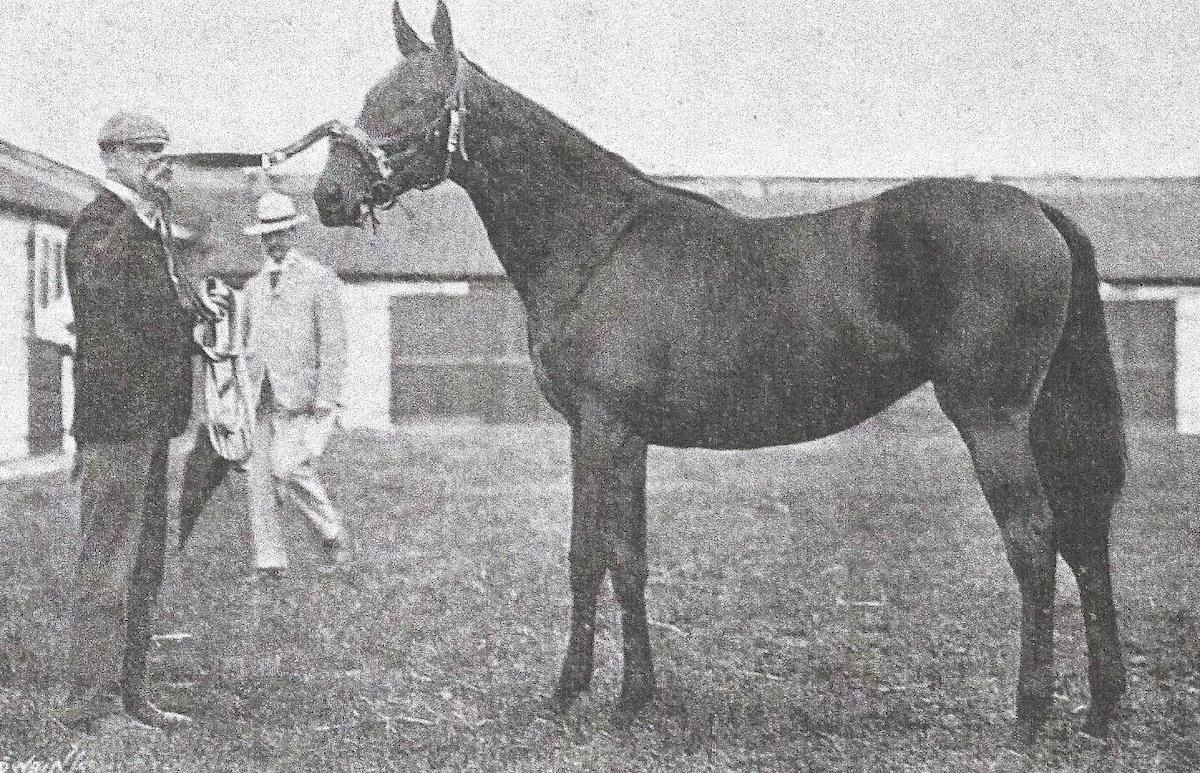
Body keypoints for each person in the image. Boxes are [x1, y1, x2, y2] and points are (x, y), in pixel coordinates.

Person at [61, 111, 227, 731]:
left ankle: (130, 698)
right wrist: (185, 323)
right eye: (147, 151)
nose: (161, 160)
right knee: (109, 563)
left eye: (164, 149)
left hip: (147, 420)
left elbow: (144, 309)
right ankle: (93, 706)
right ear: (113, 158)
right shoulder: (103, 226)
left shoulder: (143, 226)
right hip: (118, 423)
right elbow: (112, 326)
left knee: (142, 561)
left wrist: (190, 310)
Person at [239, 191, 351, 579]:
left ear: (293, 233)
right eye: (268, 235)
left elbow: (333, 342)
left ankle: (331, 533)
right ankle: (269, 561)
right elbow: (244, 341)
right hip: (258, 395)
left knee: (288, 467)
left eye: (281, 233)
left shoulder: (319, 279)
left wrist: (327, 397)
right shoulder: (252, 287)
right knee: (259, 479)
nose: (275, 242)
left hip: (300, 396)